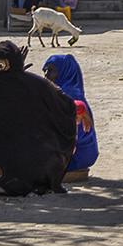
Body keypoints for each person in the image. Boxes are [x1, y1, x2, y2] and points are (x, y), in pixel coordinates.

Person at [0, 40, 78, 196]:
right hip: (30, 172)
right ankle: (35, 181)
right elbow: (66, 105)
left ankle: (0, 181)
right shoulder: (33, 84)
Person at [42, 52, 98, 181]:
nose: (46, 75)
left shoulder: (69, 95)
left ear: (64, 72)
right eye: (45, 70)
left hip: (77, 154)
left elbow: (69, 135)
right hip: (82, 153)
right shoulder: (64, 91)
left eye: (51, 70)